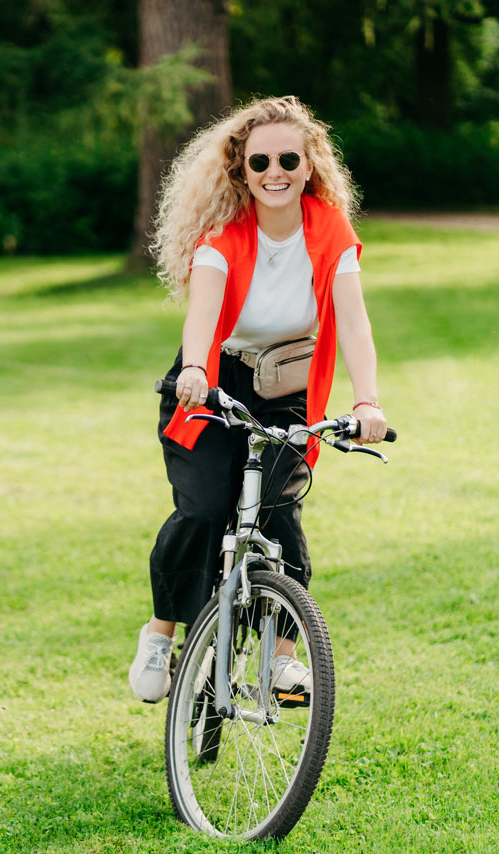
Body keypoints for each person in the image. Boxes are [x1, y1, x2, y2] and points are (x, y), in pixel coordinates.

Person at [129, 96, 388, 703]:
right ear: (241, 171)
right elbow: (204, 312)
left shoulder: (330, 233)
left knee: (279, 508)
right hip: (212, 382)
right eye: (260, 161)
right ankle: (162, 631)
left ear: (309, 165)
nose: (275, 172)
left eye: (288, 159)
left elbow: (353, 323)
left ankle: (281, 661)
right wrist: (194, 367)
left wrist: (368, 401)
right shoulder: (223, 240)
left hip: (285, 389)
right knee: (204, 506)